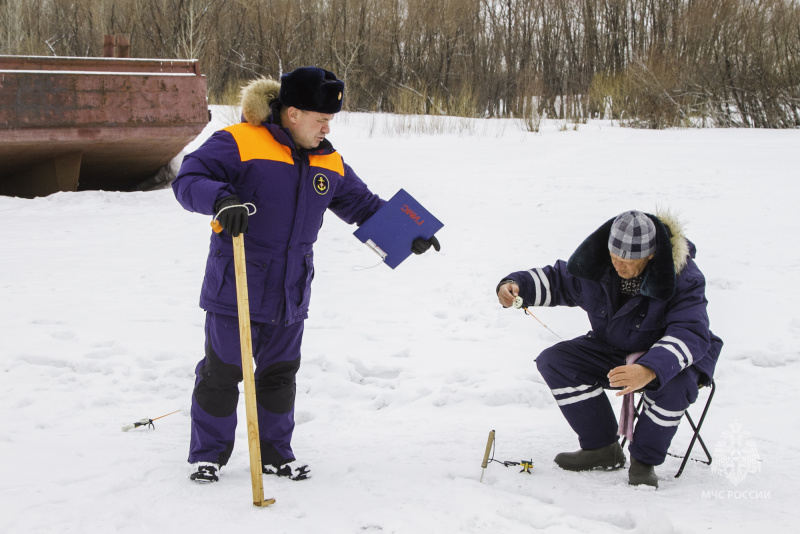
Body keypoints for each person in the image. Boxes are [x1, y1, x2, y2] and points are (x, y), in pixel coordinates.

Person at [173, 67, 440, 483]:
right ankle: (207, 455)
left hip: (290, 291)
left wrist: (410, 235)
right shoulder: (240, 141)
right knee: (222, 373)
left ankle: (276, 454)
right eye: (321, 119)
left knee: (279, 376)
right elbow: (189, 178)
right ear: (293, 113)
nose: (327, 128)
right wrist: (222, 200)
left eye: (330, 120)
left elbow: (362, 205)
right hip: (237, 282)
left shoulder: (327, 160)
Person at [496, 210, 722, 488]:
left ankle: (644, 460)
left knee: (674, 388)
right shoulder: (597, 264)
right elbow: (558, 280)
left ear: (650, 255)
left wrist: (649, 368)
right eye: (614, 257)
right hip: (614, 345)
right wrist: (515, 286)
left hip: (673, 358)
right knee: (556, 361)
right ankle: (601, 448)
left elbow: (690, 332)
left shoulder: (684, 278)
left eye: (627, 262)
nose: (618, 266)